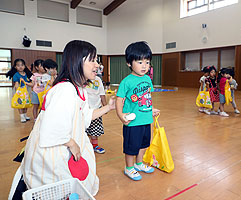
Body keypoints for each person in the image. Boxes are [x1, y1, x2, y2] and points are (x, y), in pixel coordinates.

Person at [18, 40, 115, 196]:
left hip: (66, 146)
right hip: (54, 152)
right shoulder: (65, 89)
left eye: (97, 60)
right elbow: (52, 128)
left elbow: (84, 116)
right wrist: (72, 143)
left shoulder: (78, 88)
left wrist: (108, 107)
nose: (97, 65)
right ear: (76, 61)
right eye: (92, 60)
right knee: (57, 188)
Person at [116, 41, 160, 181]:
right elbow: (119, 100)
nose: (144, 66)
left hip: (146, 119)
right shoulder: (126, 82)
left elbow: (147, 96)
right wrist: (120, 114)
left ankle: (139, 164)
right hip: (132, 122)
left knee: (144, 144)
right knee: (131, 147)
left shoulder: (147, 79)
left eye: (147, 62)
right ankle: (129, 168)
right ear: (129, 63)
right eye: (140, 62)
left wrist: (151, 109)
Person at [86, 75, 107, 154]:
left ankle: (95, 145)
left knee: (95, 129)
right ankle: (84, 146)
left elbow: (102, 93)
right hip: (85, 109)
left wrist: (105, 106)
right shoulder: (82, 79)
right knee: (84, 129)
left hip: (97, 108)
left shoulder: (98, 79)